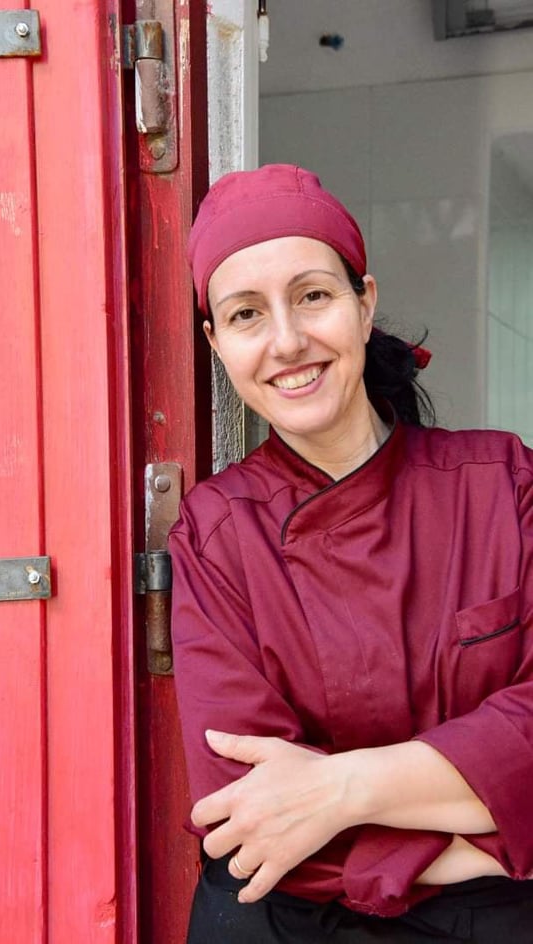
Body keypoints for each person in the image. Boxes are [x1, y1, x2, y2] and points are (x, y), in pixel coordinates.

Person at [169, 163, 533, 942]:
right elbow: (247, 812)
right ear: (217, 344)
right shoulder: (214, 534)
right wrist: (493, 833)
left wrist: (340, 789)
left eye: (313, 296)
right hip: (288, 923)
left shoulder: (505, 484)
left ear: (364, 305)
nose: (287, 341)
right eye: (246, 314)